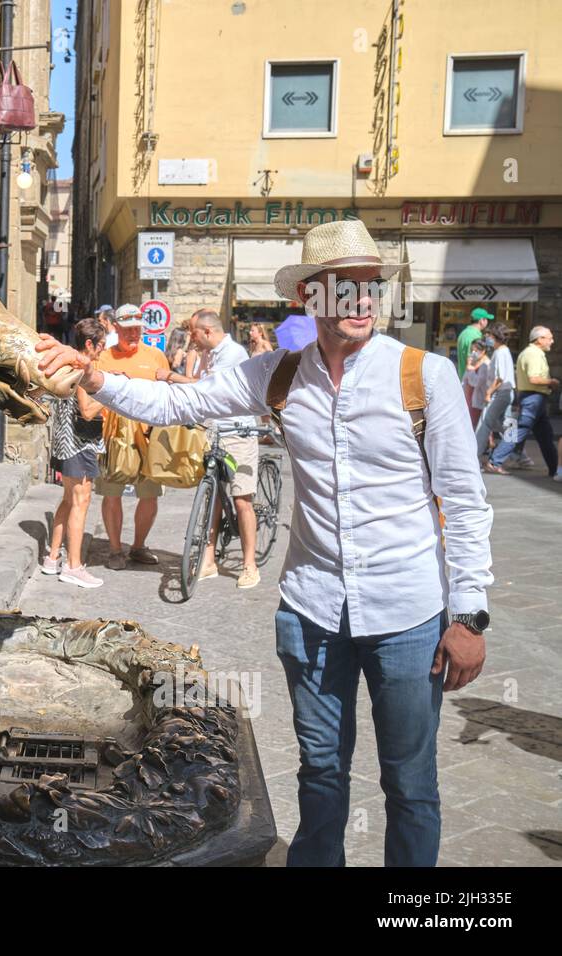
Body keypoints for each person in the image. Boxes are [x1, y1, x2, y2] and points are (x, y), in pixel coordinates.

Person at [36, 219, 492, 867]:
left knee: (411, 786)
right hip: (311, 614)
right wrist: (95, 376)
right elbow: (177, 405)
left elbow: (467, 501)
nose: (363, 301)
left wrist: (469, 614)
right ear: (310, 298)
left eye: (372, 287)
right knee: (321, 774)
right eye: (345, 288)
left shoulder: (424, 376)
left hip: (410, 617)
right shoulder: (276, 376)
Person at [158, 309, 261, 588]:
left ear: (207, 332)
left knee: (242, 500)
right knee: (213, 496)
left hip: (238, 432)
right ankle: (208, 560)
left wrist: (169, 376)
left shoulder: (232, 353)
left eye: (193, 333)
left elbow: (205, 387)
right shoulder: (211, 353)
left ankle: (250, 565)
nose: (190, 338)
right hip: (215, 432)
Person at [95, 303, 169, 569]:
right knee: (111, 493)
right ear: (115, 328)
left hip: (148, 437)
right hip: (113, 437)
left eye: (137, 329)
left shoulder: (155, 356)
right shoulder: (103, 358)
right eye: (128, 330)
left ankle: (138, 546)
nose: (133, 334)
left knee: (149, 495)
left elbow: (165, 395)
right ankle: (115, 550)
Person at [42, 316, 109, 588]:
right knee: (80, 504)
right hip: (80, 444)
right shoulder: (82, 369)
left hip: (63, 442)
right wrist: (110, 398)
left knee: (68, 500)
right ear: (90, 344)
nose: (104, 349)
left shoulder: (68, 363)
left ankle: (52, 557)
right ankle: (74, 566)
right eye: (101, 344)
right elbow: (87, 409)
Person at [486, 325, 559, 480]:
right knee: (518, 430)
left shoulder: (532, 353)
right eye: (549, 338)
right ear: (540, 339)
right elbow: (534, 378)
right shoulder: (533, 354)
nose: (552, 341)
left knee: (545, 436)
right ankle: (494, 461)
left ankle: (555, 469)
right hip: (534, 398)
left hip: (533, 398)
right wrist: (551, 381)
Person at [474, 324, 515, 464]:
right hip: (505, 393)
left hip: (499, 393)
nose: (487, 338)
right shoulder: (503, 351)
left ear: (496, 337)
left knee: (485, 424)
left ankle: (474, 457)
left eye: (489, 335)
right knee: (508, 425)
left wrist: (488, 393)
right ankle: (516, 453)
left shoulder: (500, 352)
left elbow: (500, 378)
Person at [456, 307, 492, 386]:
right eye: (486, 319)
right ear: (481, 321)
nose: (487, 322)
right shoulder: (475, 336)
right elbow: (473, 359)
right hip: (471, 382)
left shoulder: (464, 333)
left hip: (463, 378)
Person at [462, 339, 490, 430]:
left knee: (478, 426)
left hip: (479, 400)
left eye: (476, 350)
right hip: (471, 399)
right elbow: (465, 380)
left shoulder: (485, 364)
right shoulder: (475, 362)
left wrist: (470, 369)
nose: (473, 353)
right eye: (472, 350)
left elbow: (477, 382)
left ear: (483, 351)